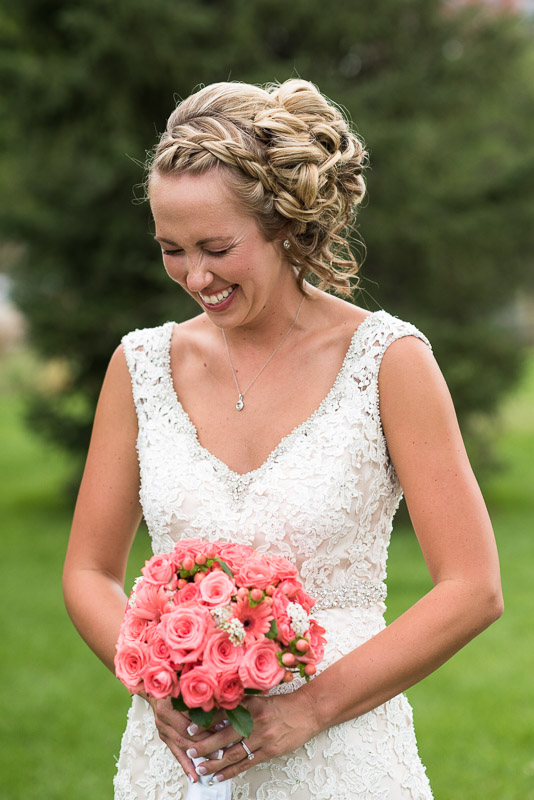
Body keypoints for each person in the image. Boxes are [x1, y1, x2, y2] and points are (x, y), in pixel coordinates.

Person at [63, 78, 503, 800]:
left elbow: (473, 588)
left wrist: (310, 709)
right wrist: (151, 678)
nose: (195, 275)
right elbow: (87, 570)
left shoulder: (388, 362)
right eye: (171, 249)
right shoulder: (140, 366)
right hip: (178, 762)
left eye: (216, 246)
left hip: (344, 755)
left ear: (284, 223)